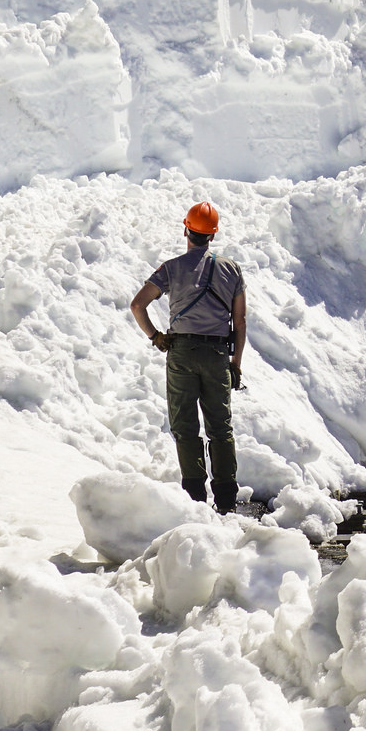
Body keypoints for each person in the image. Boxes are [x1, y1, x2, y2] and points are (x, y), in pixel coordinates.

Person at [130, 201, 247, 512]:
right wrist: (235, 363)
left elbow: (137, 305)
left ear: (186, 229)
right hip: (217, 354)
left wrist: (156, 337)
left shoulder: (171, 268)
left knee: (185, 426)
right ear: (213, 235)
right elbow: (241, 320)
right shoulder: (231, 269)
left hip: (181, 352)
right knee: (220, 428)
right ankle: (226, 500)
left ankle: (194, 498)